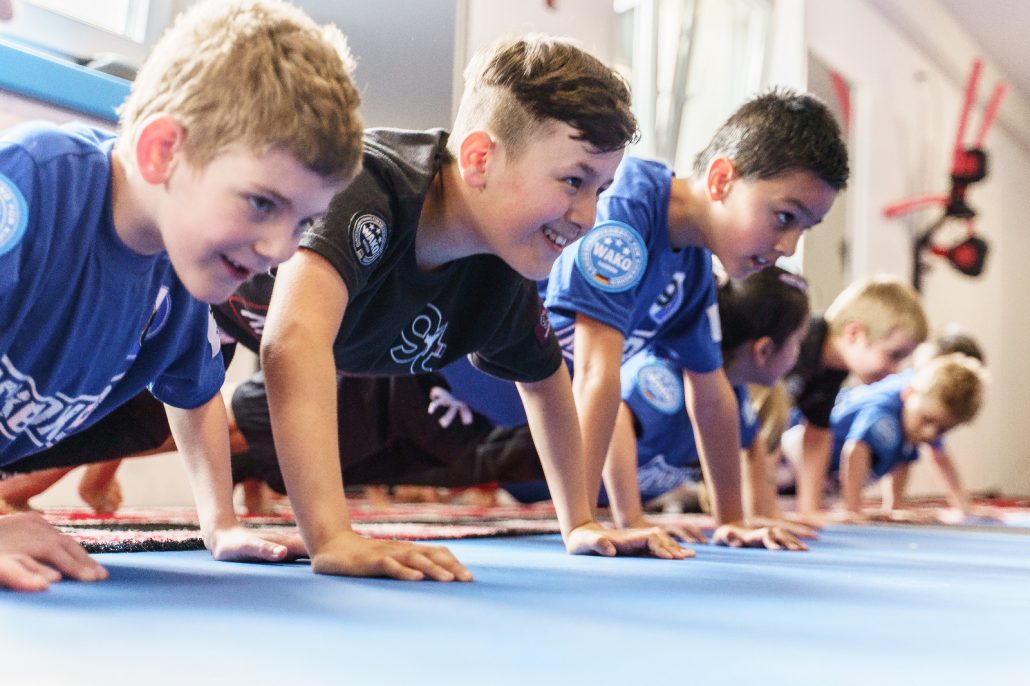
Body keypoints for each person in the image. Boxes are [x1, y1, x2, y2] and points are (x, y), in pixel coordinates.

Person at [213, 34, 688, 584]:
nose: (587, 216)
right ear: (480, 159)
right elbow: (292, 340)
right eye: (573, 181)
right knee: (143, 426)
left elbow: (548, 388)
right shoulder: (369, 188)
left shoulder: (501, 273)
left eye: (600, 191)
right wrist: (331, 537)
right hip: (176, 314)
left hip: (229, 354)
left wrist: (579, 521)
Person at [0, 0, 364, 592]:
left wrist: (219, 524)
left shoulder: (179, 274)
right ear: (162, 152)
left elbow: (196, 396)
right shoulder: (36, 184)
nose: (280, 249)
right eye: (262, 203)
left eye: (304, 223)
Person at [514, 88, 847, 550]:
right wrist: (582, 521)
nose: (788, 246)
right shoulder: (627, 205)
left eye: (803, 229)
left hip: (519, 420)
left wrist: (731, 519)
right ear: (722, 180)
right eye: (785, 217)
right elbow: (594, 369)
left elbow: (712, 397)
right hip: (446, 381)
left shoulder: (692, 271)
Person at [783, 275, 928, 520]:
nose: (895, 370)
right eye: (893, 355)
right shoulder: (796, 346)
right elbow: (757, 431)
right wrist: (758, 512)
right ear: (853, 333)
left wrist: (810, 511)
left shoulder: (832, 369)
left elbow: (817, 435)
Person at [828, 353, 986, 520]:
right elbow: (856, 449)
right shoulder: (884, 411)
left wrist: (893, 506)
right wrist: (853, 509)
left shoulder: (916, 414)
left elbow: (902, 459)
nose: (930, 432)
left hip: (830, 478)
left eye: (942, 429)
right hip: (814, 454)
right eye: (927, 419)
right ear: (909, 393)